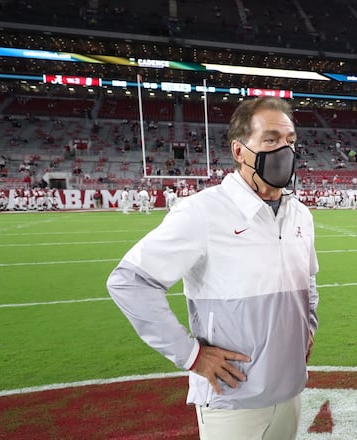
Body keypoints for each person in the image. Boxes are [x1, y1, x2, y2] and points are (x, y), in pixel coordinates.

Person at [106, 96, 319, 440]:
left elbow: (308, 280)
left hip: (290, 391)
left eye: (290, 140)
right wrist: (191, 355)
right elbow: (129, 281)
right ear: (239, 151)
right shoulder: (203, 211)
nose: (285, 150)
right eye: (271, 140)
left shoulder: (300, 214)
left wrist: (308, 325)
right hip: (231, 400)